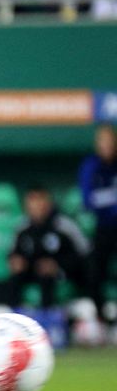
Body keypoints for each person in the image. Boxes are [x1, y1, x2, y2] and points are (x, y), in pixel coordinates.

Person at [0, 187, 89, 323]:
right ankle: (13, 321)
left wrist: (58, 265)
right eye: (32, 202)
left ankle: (48, 324)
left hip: (60, 277)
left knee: (46, 275)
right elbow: (12, 254)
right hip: (28, 275)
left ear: (48, 204)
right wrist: (15, 261)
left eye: (40, 201)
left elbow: (84, 256)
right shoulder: (22, 227)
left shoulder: (64, 226)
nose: (36, 207)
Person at [79, 124, 117, 342]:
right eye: (102, 142)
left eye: (110, 141)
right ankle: (103, 321)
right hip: (103, 229)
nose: (107, 146)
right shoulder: (91, 166)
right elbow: (88, 200)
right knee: (93, 272)